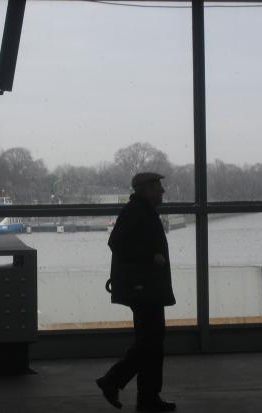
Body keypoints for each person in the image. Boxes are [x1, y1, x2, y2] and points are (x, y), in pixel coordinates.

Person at [96, 172, 176, 412]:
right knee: (149, 342)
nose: (162, 191)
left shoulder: (141, 210)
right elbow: (117, 243)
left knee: (152, 342)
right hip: (143, 288)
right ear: (146, 189)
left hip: (144, 287)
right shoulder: (136, 212)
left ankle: (148, 398)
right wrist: (151, 256)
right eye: (158, 187)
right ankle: (113, 381)